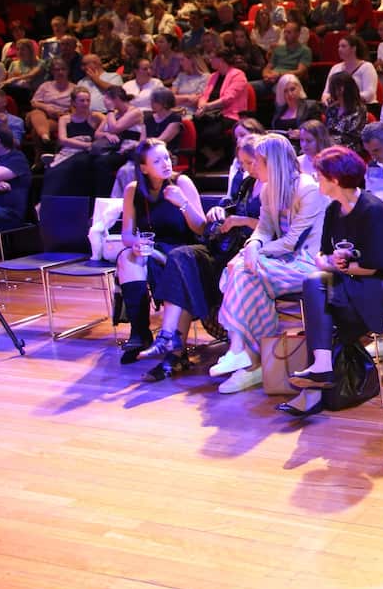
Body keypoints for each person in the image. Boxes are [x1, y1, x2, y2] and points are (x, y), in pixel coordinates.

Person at [148, 134, 328, 394]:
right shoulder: (268, 188)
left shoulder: (307, 188)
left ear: (272, 163)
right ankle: (247, 357)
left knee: (241, 269)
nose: (252, 167)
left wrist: (252, 253)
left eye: (257, 161)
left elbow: (291, 241)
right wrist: (253, 246)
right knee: (244, 272)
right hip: (279, 259)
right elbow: (264, 230)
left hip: (306, 262)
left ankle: (243, 354)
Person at [280, 146, 383, 418]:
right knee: (313, 283)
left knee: (329, 307)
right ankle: (322, 367)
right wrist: (331, 262)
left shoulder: (372, 210)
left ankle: (315, 388)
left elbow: (378, 265)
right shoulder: (334, 210)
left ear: (334, 179)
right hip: (356, 275)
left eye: (320, 176)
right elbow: (322, 254)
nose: (316, 179)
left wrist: (345, 267)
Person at [136, 133, 264, 378]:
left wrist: (241, 220)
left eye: (248, 163)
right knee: (180, 257)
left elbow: (275, 228)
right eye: (243, 164)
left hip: (246, 251)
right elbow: (225, 211)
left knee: (181, 264)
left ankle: (172, 351)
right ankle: (168, 340)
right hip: (222, 246)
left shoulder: (273, 186)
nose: (244, 169)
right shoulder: (248, 183)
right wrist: (220, 209)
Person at [112, 138, 205, 366]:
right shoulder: (133, 190)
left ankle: (164, 339)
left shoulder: (181, 183)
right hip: (151, 250)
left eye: (166, 157)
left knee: (147, 260)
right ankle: (140, 332)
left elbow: (202, 227)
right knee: (126, 257)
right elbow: (127, 233)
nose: (165, 163)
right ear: (143, 167)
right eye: (157, 160)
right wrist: (136, 244)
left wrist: (182, 203)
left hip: (182, 251)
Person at [41, 86, 103, 197]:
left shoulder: (95, 117)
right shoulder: (65, 119)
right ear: (74, 102)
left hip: (84, 154)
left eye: (88, 100)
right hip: (68, 150)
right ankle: (48, 203)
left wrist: (97, 136)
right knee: (52, 171)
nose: (85, 103)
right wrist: (87, 144)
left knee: (76, 165)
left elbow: (109, 120)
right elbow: (63, 140)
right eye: (82, 100)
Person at [194, 48, 250, 169]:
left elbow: (228, 98)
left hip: (231, 114)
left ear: (221, 60)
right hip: (211, 113)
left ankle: (222, 154)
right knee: (192, 125)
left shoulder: (238, 75)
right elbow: (204, 96)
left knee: (209, 133)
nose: (209, 60)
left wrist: (207, 106)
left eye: (212, 57)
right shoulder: (214, 76)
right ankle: (212, 155)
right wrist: (201, 106)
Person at [91, 85, 144, 197]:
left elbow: (115, 128)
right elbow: (97, 134)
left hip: (127, 150)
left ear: (116, 99)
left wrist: (109, 110)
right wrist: (106, 134)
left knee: (102, 163)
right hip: (112, 149)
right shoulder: (114, 114)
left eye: (107, 100)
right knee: (87, 161)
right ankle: (91, 202)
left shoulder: (135, 112)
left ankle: (105, 198)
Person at [26, 57, 75, 148]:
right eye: (57, 70)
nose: (60, 72)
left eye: (63, 69)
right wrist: (47, 108)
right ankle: (44, 135)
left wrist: (61, 114)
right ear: (52, 72)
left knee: (36, 131)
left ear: (68, 71)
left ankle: (40, 157)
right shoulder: (46, 85)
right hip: (41, 114)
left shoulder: (74, 88)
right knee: (36, 112)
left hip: (59, 118)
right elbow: (34, 102)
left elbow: (75, 109)